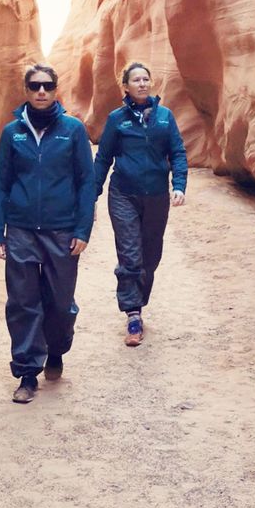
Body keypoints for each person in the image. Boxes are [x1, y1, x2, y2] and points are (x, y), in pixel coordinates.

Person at [0, 64, 95, 403]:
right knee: (22, 302)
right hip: (21, 229)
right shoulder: (12, 133)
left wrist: (82, 229)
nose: (41, 92)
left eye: (47, 86)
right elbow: (0, 183)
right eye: (35, 86)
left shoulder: (72, 130)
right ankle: (27, 373)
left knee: (60, 303)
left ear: (55, 89)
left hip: (61, 230)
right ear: (26, 89)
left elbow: (86, 182)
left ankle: (56, 349)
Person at [93, 60, 187, 345]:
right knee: (130, 254)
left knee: (151, 256)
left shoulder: (165, 117)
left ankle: (138, 300)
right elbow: (103, 158)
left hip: (157, 196)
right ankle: (133, 314)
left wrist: (179, 185)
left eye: (145, 79)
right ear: (126, 86)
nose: (142, 84)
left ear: (151, 82)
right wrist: (92, 193)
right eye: (136, 80)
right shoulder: (117, 119)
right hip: (123, 194)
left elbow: (177, 152)